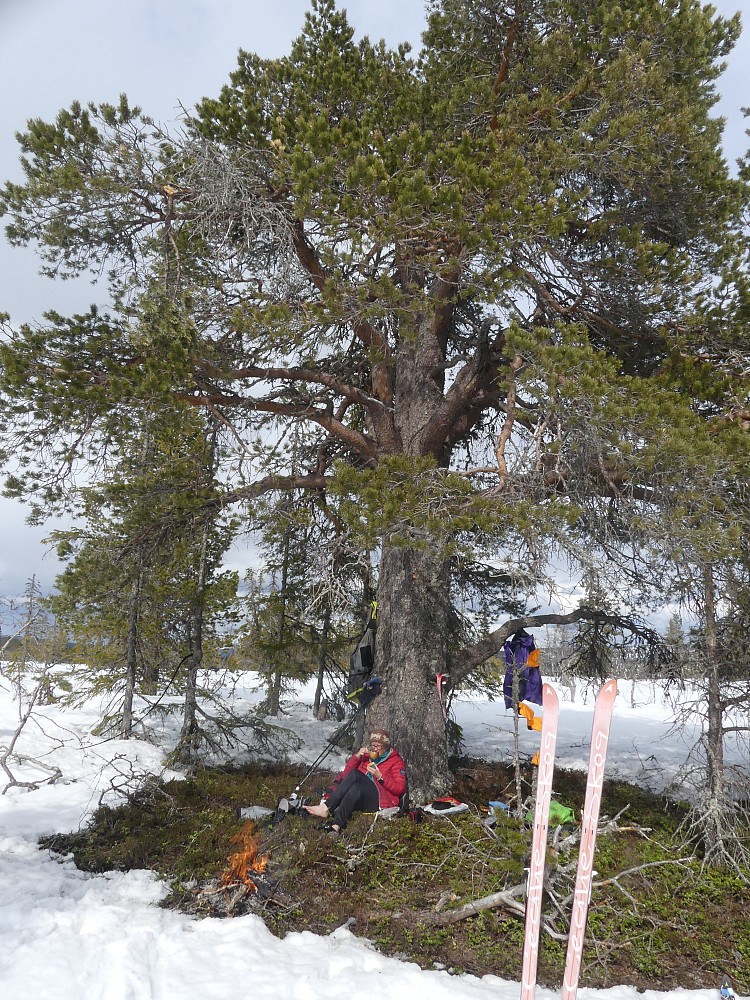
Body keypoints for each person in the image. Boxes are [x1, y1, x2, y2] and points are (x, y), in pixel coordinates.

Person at [303, 729, 406, 833]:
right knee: (355, 788)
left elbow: (400, 789)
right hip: (362, 793)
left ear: (386, 747)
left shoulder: (396, 761)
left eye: (378, 746)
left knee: (355, 775)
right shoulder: (367, 756)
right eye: (373, 746)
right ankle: (335, 826)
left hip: (380, 799)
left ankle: (326, 807)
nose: (374, 749)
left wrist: (380, 777)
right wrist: (357, 757)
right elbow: (347, 775)